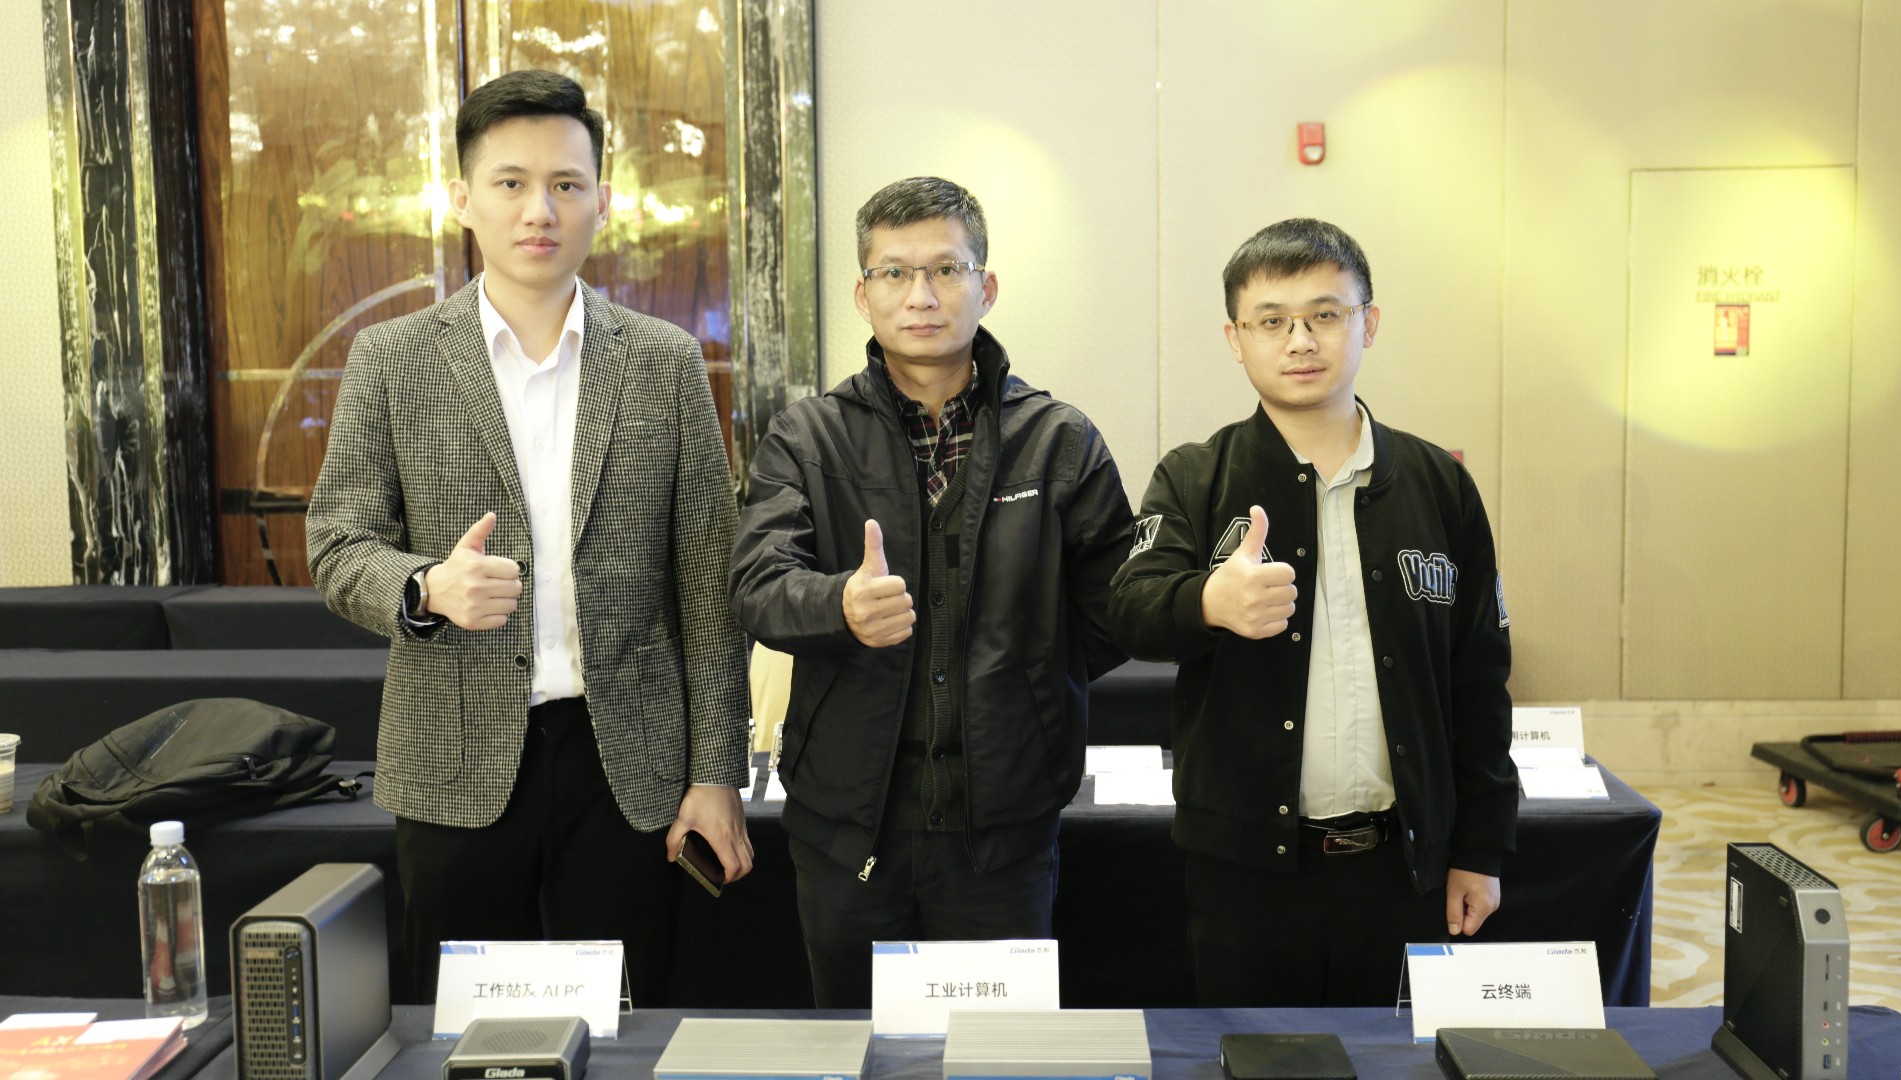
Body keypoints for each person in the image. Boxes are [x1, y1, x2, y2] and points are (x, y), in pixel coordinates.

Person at [306, 69, 751, 1004]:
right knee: (466, 1030)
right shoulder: (392, 358)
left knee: (629, 1020)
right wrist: (425, 586)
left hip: (629, 761)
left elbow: (709, 589)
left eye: (565, 184)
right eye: (509, 182)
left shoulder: (665, 361)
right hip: (453, 752)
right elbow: (338, 543)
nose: (538, 210)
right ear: (463, 199)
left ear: (602, 201)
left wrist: (717, 773)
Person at [730, 176, 1134, 1007]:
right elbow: (758, 585)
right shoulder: (806, 437)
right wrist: (838, 606)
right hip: (846, 830)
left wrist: (1028, 675)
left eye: (947, 270)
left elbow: (1113, 612)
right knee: (855, 1046)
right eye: (895, 272)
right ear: (863, 294)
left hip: (1005, 831)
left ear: (987, 287)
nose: (921, 295)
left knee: (999, 1054)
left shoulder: (1058, 440)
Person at [1107, 218, 1516, 1007]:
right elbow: (1128, 609)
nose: (1300, 340)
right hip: (1246, 876)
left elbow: (1480, 679)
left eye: (1325, 314)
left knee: (1394, 1058)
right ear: (1235, 338)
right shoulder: (1195, 476)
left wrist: (1482, 848)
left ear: (1369, 322)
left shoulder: (1438, 485)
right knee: (1258, 1055)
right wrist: (1207, 601)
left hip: (1404, 866)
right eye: (1271, 320)